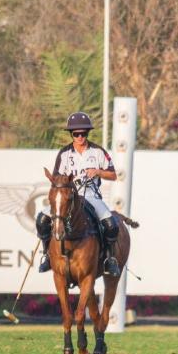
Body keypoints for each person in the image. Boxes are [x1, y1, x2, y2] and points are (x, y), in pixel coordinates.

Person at [35, 112, 122, 277]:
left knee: (111, 224)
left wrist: (97, 171)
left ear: (88, 133)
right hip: (68, 196)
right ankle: (47, 255)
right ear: (71, 135)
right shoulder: (64, 154)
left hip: (90, 195)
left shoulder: (97, 152)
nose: (80, 137)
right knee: (41, 220)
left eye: (84, 133)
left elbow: (113, 175)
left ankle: (109, 259)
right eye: (76, 134)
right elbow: (56, 179)